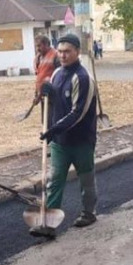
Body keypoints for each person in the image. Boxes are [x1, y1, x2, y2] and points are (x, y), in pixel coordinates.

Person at [38, 33, 98, 233]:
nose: (62, 56)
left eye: (67, 52)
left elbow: (78, 113)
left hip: (82, 141)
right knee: (54, 181)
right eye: (60, 52)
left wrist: (54, 128)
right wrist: (46, 92)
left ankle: (89, 213)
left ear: (77, 52)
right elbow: (53, 105)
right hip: (60, 142)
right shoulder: (56, 74)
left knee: (86, 180)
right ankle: (49, 223)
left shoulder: (82, 78)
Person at [33, 35, 59, 109]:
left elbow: (60, 76)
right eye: (36, 46)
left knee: (51, 118)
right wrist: (36, 94)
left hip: (53, 95)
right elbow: (39, 77)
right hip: (42, 94)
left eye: (39, 46)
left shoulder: (56, 55)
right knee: (45, 119)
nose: (37, 49)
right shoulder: (38, 58)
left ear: (47, 45)